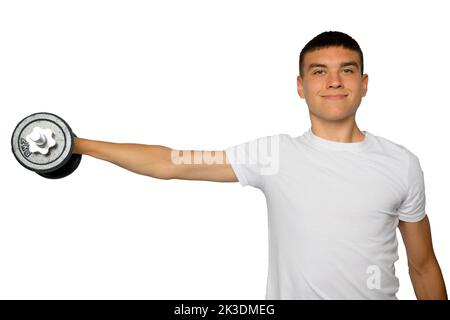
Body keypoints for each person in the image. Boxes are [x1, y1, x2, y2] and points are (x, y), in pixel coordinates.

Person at [73, 31, 447, 300]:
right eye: (319, 72)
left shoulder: (402, 163)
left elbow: (424, 266)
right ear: (300, 86)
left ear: (363, 83)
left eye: (346, 71)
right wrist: (77, 145)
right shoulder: (275, 155)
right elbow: (171, 163)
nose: (333, 81)